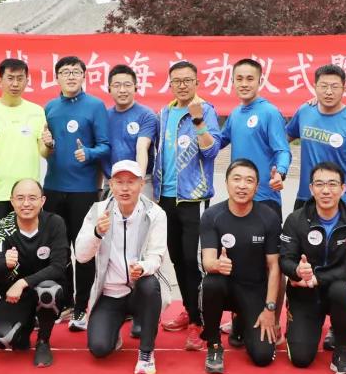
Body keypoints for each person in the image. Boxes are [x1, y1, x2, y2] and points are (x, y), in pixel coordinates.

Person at [75, 160, 168, 374]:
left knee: (149, 284)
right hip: (110, 293)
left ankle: (146, 353)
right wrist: (97, 233)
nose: (125, 188)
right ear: (111, 185)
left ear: (141, 184)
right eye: (119, 182)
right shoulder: (98, 211)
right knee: (99, 349)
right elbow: (81, 255)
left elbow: (157, 255)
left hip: (139, 291)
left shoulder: (155, 213)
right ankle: (115, 327)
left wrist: (143, 267)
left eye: (131, 182)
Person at [154, 60, 221, 352]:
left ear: (197, 82)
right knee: (177, 259)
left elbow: (212, 150)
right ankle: (190, 309)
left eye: (187, 80)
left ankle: (200, 321)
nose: (182, 85)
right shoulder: (165, 112)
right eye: (176, 81)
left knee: (195, 261)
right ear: (170, 84)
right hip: (165, 197)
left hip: (193, 198)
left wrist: (198, 122)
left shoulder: (206, 110)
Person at [42, 56, 110, 331]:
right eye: (65, 72)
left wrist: (89, 153)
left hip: (83, 190)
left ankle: (83, 306)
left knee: (83, 250)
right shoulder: (50, 107)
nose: (70, 76)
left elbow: (105, 145)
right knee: (58, 251)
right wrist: (47, 144)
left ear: (84, 76)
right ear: (56, 77)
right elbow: (45, 146)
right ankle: (66, 303)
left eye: (75, 71)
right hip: (53, 187)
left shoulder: (95, 106)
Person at [279, 162, 346, 374]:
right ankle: (303, 324)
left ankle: (342, 349)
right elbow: (284, 259)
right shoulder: (295, 219)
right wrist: (297, 270)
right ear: (311, 188)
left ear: (343, 189)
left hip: (334, 291)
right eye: (319, 184)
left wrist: (317, 278)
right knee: (300, 359)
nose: (326, 190)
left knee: (343, 289)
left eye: (332, 184)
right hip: (303, 290)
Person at [199, 160, 281, 374]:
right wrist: (217, 264)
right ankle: (214, 344)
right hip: (224, 287)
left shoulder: (269, 217)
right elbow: (207, 261)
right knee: (211, 283)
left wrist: (270, 310)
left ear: (257, 186)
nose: (242, 185)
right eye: (236, 179)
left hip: (253, 290)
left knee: (262, 357)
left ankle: (242, 321)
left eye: (249, 180)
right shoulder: (212, 216)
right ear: (226, 182)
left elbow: (274, 267)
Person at [0, 179, 69, 368]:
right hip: (16, 296)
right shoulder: (2, 226)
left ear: (42, 200)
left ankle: (43, 341)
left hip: (46, 289)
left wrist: (23, 282)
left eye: (32, 198)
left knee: (48, 291)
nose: (26, 203)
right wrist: (5, 264)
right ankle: (26, 324)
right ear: (12, 201)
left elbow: (58, 267)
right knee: (2, 338)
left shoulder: (55, 223)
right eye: (20, 198)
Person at [0, 58, 51, 249]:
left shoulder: (37, 111)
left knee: (29, 253)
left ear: (27, 81)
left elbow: (44, 153)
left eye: (20, 78)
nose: (15, 83)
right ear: (0, 80)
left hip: (28, 197)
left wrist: (49, 144)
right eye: (10, 78)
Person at [286, 64, 346, 210]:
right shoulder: (305, 111)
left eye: (334, 87)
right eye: (323, 86)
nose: (328, 92)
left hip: (341, 200)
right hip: (306, 197)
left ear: (344, 88)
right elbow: (284, 138)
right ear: (315, 87)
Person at [218, 58, 291, 215]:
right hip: (238, 197)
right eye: (239, 79)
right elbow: (217, 142)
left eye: (250, 79)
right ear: (232, 82)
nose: (244, 84)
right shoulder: (235, 114)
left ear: (260, 81)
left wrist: (280, 173)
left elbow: (283, 150)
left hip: (265, 198)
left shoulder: (270, 112)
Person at [103, 65, 158, 198]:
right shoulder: (103, 116)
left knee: (141, 212)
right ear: (109, 89)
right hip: (111, 180)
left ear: (136, 87)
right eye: (117, 85)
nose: (122, 90)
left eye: (127, 85)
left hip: (139, 179)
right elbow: (100, 152)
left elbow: (142, 148)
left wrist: (139, 181)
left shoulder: (147, 115)